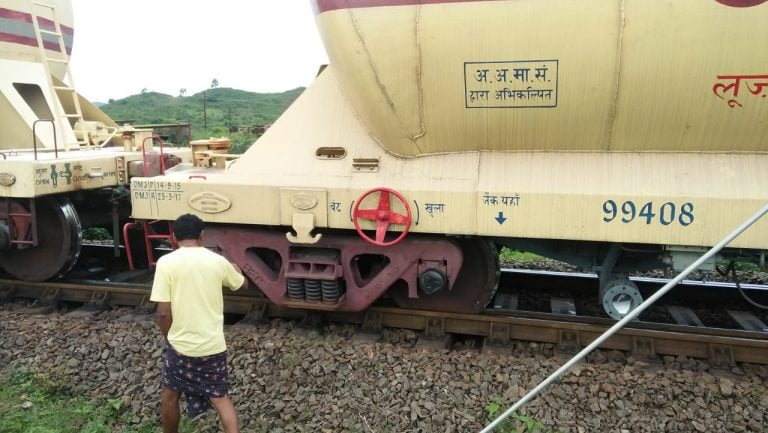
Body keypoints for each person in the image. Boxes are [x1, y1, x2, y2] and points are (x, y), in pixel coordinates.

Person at [150, 213, 247, 433]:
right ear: (202, 235)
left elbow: (163, 313)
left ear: (174, 237)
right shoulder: (217, 261)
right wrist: (236, 271)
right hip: (212, 346)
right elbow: (242, 284)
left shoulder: (166, 263)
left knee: (170, 396)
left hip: (180, 346)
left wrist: (170, 338)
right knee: (221, 398)